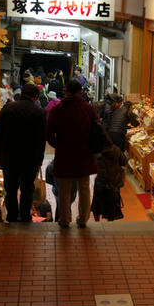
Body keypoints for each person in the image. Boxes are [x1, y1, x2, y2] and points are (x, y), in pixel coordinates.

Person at [46, 79, 97, 228]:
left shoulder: (58, 109)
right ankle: (83, 219)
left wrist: (60, 145)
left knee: (64, 188)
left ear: (66, 91)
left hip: (65, 154)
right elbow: (96, 129)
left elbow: (49, 134)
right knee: (84, 188)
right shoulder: (88, 108)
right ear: (80, 91)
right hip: (84, 154)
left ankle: (65, 219)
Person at [0, 83, 46, 222]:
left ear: (21, 94)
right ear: (36, 97)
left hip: (9, 158)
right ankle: (26, 216)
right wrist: (40, 158)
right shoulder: (39, 112)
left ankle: (12, 216)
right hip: (30, 158)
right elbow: (41, 139)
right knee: (27, 189)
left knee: (10, 189)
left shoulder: (8, 108)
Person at [91, 137, 127, 221]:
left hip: (101, 180)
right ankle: (110, 222)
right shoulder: (116, 149)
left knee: (97, 203)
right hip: (114, 181)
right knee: (112, 204)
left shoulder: (96, 151)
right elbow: (124, 161)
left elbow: (92, 165)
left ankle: (97, 221)